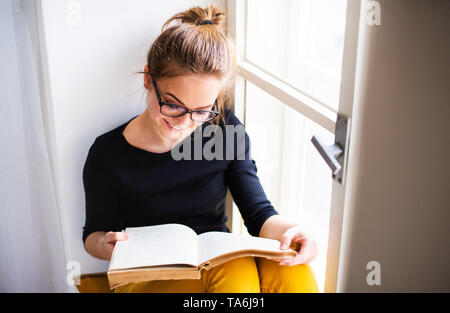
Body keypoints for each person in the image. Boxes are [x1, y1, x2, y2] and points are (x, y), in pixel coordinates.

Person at [82, 5, 319, 293]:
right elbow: (92, 234)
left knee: (292, 267)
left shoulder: (223, 130)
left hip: (216, 257)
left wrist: (294, 233)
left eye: (202, 111)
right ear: (147, 79)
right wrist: (106, 245)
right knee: (236, 274)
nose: (183, 123)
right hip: (147, 274)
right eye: (172, 104)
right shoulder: (108, 153)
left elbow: (258, 213)